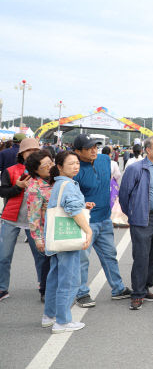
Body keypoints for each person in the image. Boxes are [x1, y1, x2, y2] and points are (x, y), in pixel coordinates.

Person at [72, 134, 131, 308]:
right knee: (82, 259)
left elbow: (116, 179)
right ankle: (81, 292)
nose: (93, 150)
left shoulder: (105, 159)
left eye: (95, 146)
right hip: (84, 221)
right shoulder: (74, 168)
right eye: (88, 148)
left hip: (105, 218)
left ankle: (118, 288)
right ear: (77, 151)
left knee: (110, 255)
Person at [119, 136, 153, 310]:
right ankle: (137, 293)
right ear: (148, 150)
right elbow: (124, 195)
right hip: (142, 218)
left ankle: (145, 287)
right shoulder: (136, 168)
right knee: (141, 256)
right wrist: (133, 213)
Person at [44, 151, 93, 333]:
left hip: (57, 236)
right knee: (70, 279)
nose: (76, 166)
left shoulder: (58, 184)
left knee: (55, 278)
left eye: (77, 163)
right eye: (71, 163)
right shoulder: (68, 185)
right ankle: (62, 321)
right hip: (68, 238)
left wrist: (83, 205)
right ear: (59, 166)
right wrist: (88, 230)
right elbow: (72, 209)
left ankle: (49, 316)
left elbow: (67, 206)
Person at [0, 138, 46, 302]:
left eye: (36, 150)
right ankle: (2, 287)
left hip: (35, 222)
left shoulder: (45, 171)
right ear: (22, 153)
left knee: (41, 256)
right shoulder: (11, 170)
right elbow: (2, 191)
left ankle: (43, 286)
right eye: (29, 151)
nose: (33, 153)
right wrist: (17, 187)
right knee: (3, 256)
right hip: (11, 219)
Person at [24, 150, 54, 302]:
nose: (50, 166)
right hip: (46, 231)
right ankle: (45, 291)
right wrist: (37, 238)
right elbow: (33, 215)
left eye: (51, 163)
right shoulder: (35, 188)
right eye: (45, 165)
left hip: (59, 229)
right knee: (47, 262)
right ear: (35, 170)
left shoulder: (57, 180)